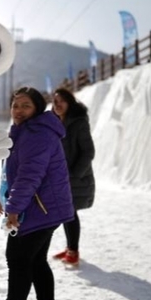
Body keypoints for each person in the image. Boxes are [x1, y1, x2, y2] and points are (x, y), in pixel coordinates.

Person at [0, 87, 74, 300]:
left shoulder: (37, 134)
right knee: (35, 261)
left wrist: (13, 209)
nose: (19, 110)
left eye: (26, 105)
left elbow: (28, 177)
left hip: (39, 208)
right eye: (15, 105)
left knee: (18, 259)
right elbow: (11, 172)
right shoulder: (24, 132)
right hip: (43, 207)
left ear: (37, 109)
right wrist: (0, 197)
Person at [50, 87, 95, 267]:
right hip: (60, 177)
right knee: (66, 213)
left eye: (61, 101)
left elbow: (88, 151)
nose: (58, 105)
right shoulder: (55, 123)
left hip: (75, 177)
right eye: (55, 102)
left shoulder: (78, 123)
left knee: (69, 213)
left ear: (70, 103)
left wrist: (74, 174)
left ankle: (73, 251)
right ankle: (71, 247)